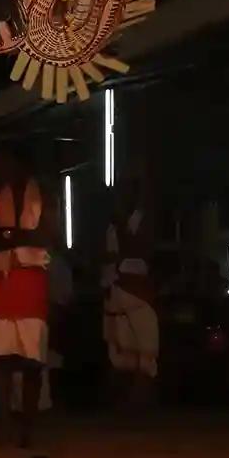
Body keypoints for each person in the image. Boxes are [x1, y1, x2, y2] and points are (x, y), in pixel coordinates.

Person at [0, 143, 51, 446]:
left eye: (5, 163)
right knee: (0, 357)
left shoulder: (44, 195)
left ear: (21, 166)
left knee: (32, 358)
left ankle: (28, 427)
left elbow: (49, 234)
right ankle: (4, 424)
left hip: (30, 282)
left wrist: (10, 236)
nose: (0, 170)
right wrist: (17, 238)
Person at [102, 166, 158, 407]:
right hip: (114, 291)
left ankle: (139, 405)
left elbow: (140, 249)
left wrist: (123, 229)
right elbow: (106, 254)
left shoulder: (142, 219)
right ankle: (122, 406)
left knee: (143, 354)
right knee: (118, 352)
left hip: (137, 293)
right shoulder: (113, 224)